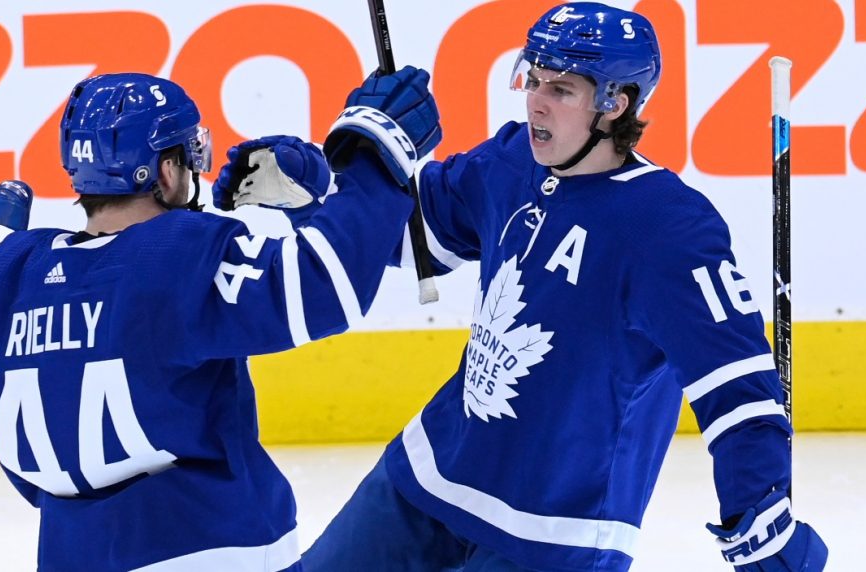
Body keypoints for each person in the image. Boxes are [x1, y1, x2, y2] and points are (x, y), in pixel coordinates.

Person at [240, 3, 828, 571]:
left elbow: (735, 380)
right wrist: (319, 188)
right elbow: (414, 231)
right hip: (428, 474)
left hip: (555, 532)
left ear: (615, 104)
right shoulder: (510, 162)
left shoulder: (667, 228)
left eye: (561, 90)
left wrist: (758, 506)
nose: (536, 102)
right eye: (534, 79)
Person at [0, 69, 440, 571]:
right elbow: (323, 287)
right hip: (214, 549)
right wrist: (374, 154)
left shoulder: (8, 275)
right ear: (166, 173)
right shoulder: (176, 254)